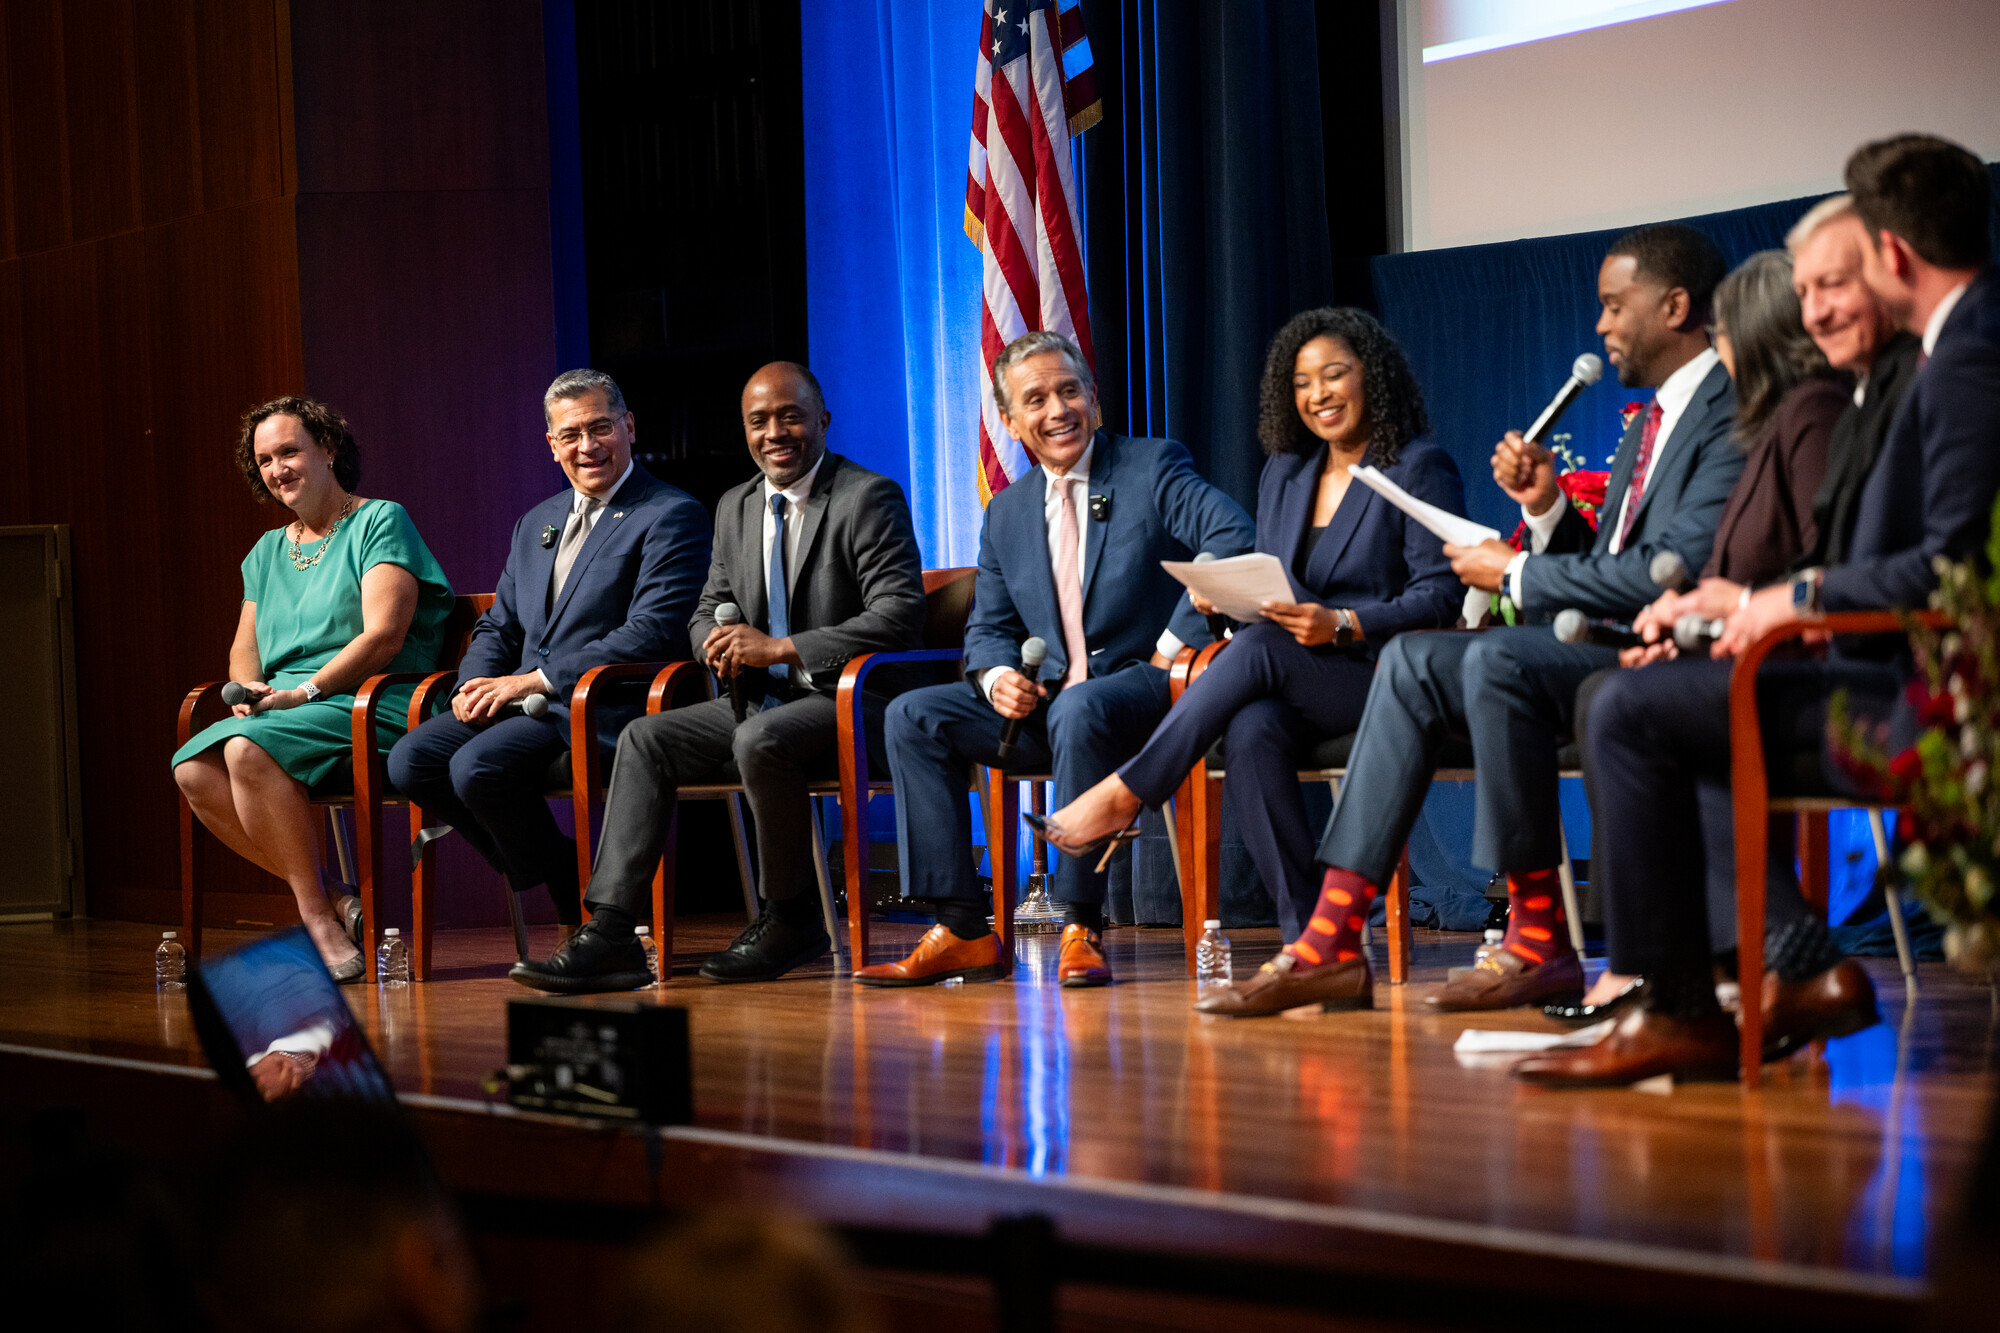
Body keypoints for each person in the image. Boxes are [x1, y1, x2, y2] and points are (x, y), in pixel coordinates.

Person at [1521, 133, 2000, 1085]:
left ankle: (1677, 1002)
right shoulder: (1897, 375)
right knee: (1666, 705)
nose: (1814, 308)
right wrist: (1729, 617)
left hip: (1915, 699)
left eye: (1835, 282)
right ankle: (1787, 967)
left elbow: (1952, 569)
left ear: (1890, 254)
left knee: (1628, 709)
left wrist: (1787, 601)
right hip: (1868, 667)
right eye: (1807, 289)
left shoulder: (1959, 360)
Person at [1197, 224, 1743, 1018]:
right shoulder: (1649, 422)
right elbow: (1607, 563)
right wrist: (1548, 509)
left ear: (1676, 306)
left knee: (1487, 657)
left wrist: (1513, 570)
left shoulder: (1728, 412)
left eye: (1614, 306)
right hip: (1603, 641)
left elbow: (1672, 568)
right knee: (1416, 657)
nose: (1600, 324)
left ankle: (1534, 937)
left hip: (1677, 653)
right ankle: (1332, 938)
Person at [1564, 201, 1918, 1018]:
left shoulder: (1816, 412)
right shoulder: (1788, 421)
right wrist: (1699, 629)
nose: (1717, 354)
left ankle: (1665, 982)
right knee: (1646, 700)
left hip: (1851, 675)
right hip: (1786, 655)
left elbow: (1818, 572)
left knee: (1629, 705)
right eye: (1807, 294)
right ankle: (1753, 960)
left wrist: (1736, 616)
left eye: (1722, 335)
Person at [1039, 309, 1466, 949]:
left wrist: (1344, 623)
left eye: (1334, 375)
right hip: (1298, 672)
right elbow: (1273, 582)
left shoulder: (1418, 466)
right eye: (1302, 382)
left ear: (1371, 376)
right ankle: (1313, 940)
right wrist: (1224, 599)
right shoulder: (1286, 472)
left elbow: (1439, 595)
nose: (1318, 394)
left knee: (1262, 649)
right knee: (1251, 728)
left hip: (1384, 673)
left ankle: (1127, 793)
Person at [510, 362, 926, 992]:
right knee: (646, 737)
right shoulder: (737, 505)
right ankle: (613, 933)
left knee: (760, 739)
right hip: (760, 698)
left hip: (852, 698)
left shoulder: (867, 496)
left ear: (822, 420)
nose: (774, 433)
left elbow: (898, 615)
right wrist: (715, 642)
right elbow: (705, 611)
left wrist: (781, 648)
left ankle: (791, 918)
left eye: (790, 416)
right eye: (759, 421)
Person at [861, 331, 1255, 989]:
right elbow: (989, 628)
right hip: (1050, 707)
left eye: (1069, 391)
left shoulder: (1152, 466)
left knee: (1081, 706)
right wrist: (996, 679)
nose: (1057, 410)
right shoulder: (1008, 512)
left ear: (1094, 399)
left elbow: (1233, 538)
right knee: (913, 715)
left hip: (1148, 693)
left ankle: (1080, 923)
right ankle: (962, 928)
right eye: (1036, 399)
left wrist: (1171, 646)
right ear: (1011, 421)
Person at [386, 370, 709, 934]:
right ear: (552, 445)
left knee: (476, 767)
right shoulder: (537, 520)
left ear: (629, 427)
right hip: (529, 703)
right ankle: (562, 869)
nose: (588, 446)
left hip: (605, 704)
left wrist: (534, 680)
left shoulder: (670, 513)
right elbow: (499, 624)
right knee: (410, 760)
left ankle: (570, 892)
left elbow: (654, 630)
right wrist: (474, 683)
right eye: (571, 435)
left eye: (600, 427)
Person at [173, 399, 454, 981]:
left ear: (327, 449)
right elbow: (245, 647)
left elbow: (383, 636)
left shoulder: (380, 520)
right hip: (286, 708)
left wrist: (304, 693)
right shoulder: (266, 551)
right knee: (192, 769)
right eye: (265, 460)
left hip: (373, 698)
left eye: (289, 452)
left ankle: (315, 918)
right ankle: (336, 897)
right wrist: (248, 687)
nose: (278, 469)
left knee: (245, 750)